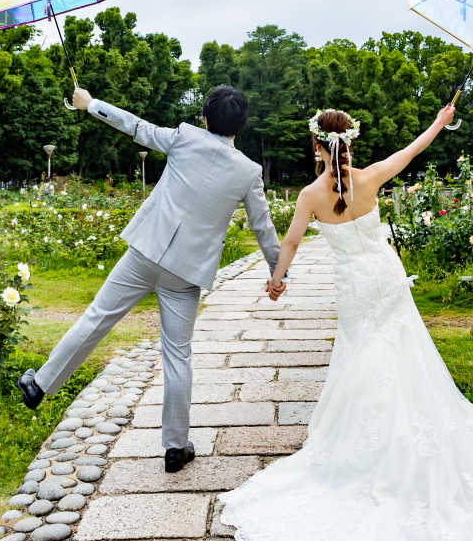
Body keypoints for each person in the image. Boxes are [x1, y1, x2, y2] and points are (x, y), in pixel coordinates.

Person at [219, 106, 473, 541]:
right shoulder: (371, 178)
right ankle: (410, 430)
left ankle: (371, 444)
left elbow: (295, 240)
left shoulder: (309, 196)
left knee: (363, 360)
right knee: (404, 355)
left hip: (354, 291)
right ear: (352, 144)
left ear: (318, 147)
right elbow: (416, 148)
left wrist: (277, 280)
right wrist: (440, 118)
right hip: (386, 282)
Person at [17, 85, 283, 474]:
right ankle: (175, 448)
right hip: (185, 272)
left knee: (97, 317)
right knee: (178, 356)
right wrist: (279, 273)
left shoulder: (184, 137)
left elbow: (136, 126)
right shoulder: (248, 171)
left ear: (204, 119)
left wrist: (90, 104)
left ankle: (39, 385)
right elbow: (263, 226)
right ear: (239, 126)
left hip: (145, 252)